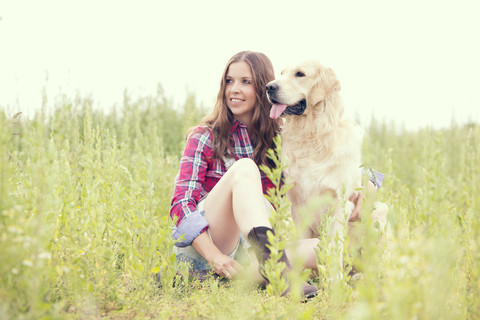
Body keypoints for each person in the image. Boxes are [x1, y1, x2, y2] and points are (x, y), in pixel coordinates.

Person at [169, 51, 381, 298]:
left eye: (245, 82)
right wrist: (215, 257)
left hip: (252, 257)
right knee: (245, 169)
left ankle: (253, 274)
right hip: (212, 249)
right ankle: (255, 270)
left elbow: (329, 167)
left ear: (263, 88)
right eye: (229, 81)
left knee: (329, 246)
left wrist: (370, 183)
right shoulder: (204, 135)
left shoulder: (278, 141)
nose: (234, 89)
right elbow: (180, 205)